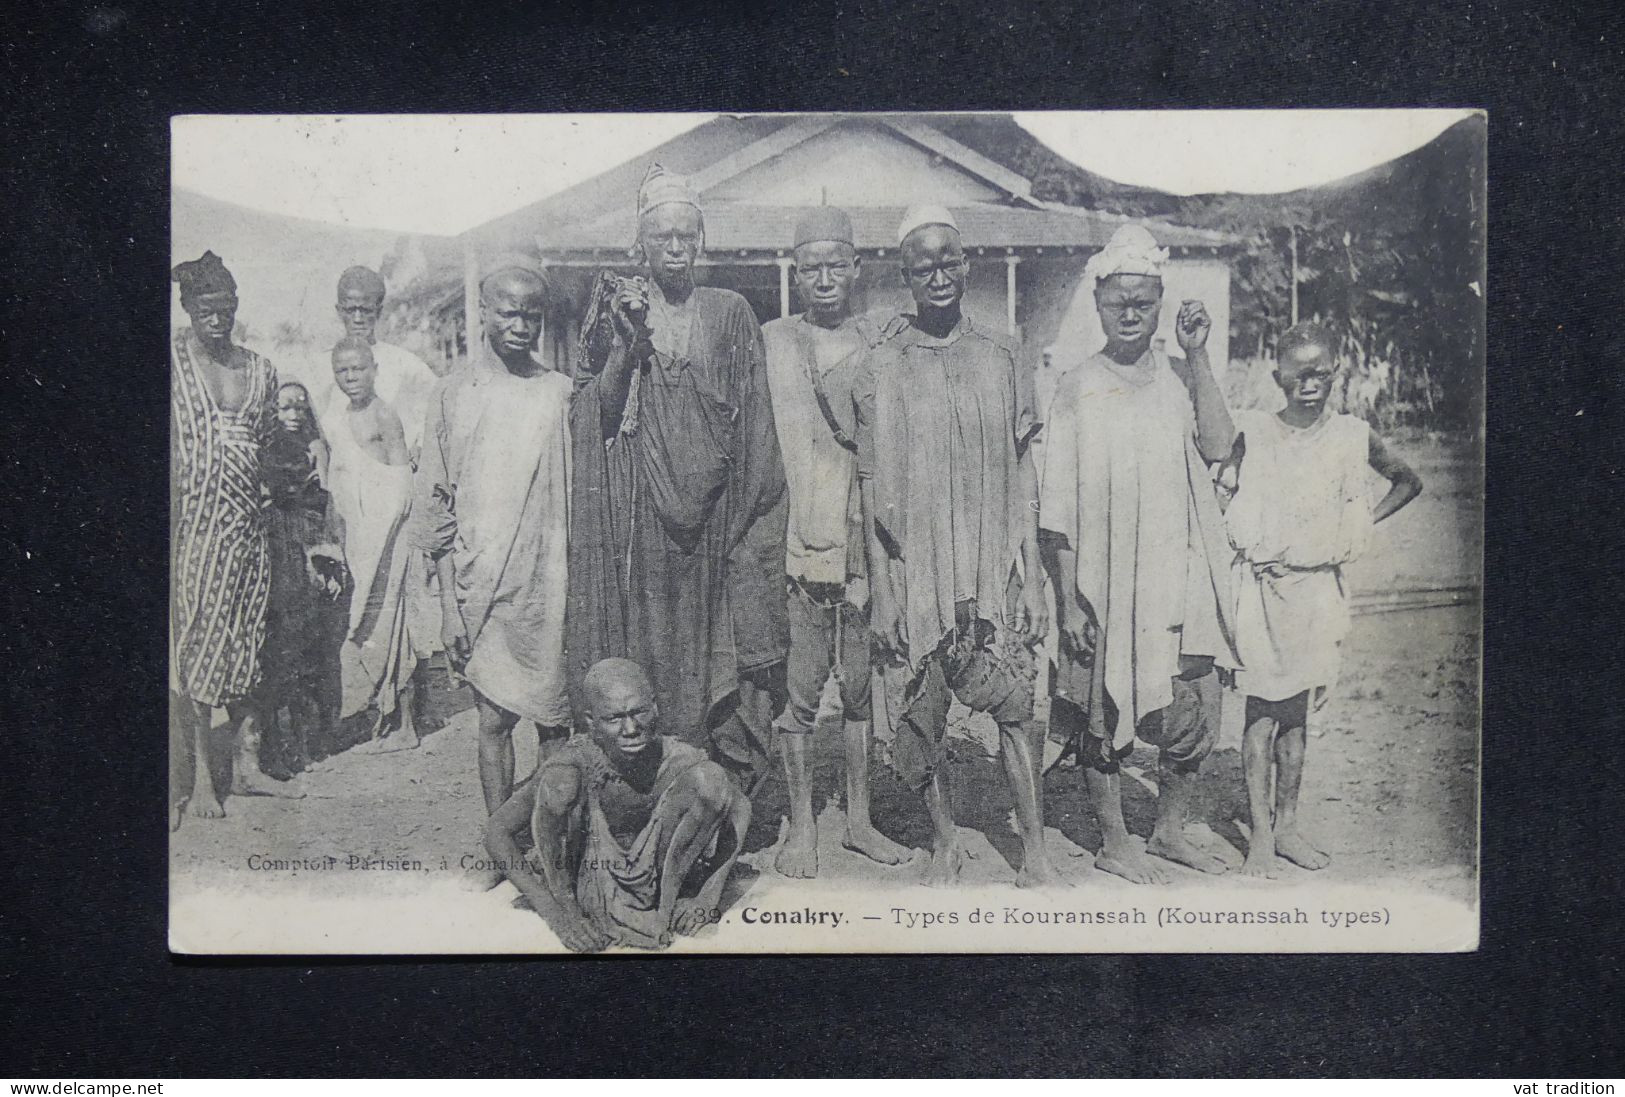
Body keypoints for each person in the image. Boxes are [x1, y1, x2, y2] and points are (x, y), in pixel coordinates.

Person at [848, 205, 1055, 888]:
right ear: (904, 275)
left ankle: (1034, 848)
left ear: (967, 266)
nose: (937, 274)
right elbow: (870, 480)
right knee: (918, 707)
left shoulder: (1002, 352)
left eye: (947, 260)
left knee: (1016, 707)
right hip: (919, 566)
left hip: (991, 561)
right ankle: (943, 841)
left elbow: (1023, 463)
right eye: (921, 265)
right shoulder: (882, 361)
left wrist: (1028, 559)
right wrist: (881, 589)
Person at [568, 163, 788, 794]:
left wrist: (746, 527)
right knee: (649, 658)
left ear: (701, 239)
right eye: (661, 234)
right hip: (643, 529)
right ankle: (650, 796)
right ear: (640, 239)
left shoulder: (730, 313)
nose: (674, 247)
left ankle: (713, 801)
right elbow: (597, 418)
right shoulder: (619, 307)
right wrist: (628, 346)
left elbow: (756, 426)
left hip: (719, 526)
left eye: (685, 234)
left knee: (716, 661)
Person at [1038, 223, 1240, 883]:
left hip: (1177, 573)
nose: (1130, 311)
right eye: (1117, 300)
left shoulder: (1182, 378)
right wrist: (1067, 598)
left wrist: (1199, 354)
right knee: (1099, 707)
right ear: (1096, 303)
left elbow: (1217, 447)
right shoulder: (1073, 385)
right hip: (1103, 579)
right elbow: (1058, 504)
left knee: (1194, 706)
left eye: (1143, 300)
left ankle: (1168, 830)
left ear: (1160, 303)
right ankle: (1112, 839)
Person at [1226, 321, 1422, 877]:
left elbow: (1407, 481)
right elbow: (1218, 474)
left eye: (1321, 371)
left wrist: (1357, 526)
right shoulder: (1257, 431)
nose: (1310, 381)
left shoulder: (1351, 435)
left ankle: (1287, 826)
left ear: (1335, 373)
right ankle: (1260, 837)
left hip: (1318, 594)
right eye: (1299, 372)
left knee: (1297, 719)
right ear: (1278, 376)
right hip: (1264, 591)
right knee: (1262, 714)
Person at [760, 206, 912, 877]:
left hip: (862, 546)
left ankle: (857, 820)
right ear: (796, 271)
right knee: (797, 695)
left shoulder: (878, 344)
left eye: (836, 265)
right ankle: (800, 829)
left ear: (855, 269)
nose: (824, 278)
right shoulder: (770, 342)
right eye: (811, 266)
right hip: (794, 541)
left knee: (856, 690)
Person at [414, 263, 573, 886]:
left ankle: (553, 845)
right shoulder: (453, 393)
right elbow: (435, 501)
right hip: (480, 586)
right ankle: (500, 850)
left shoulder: (559, 390)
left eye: (531, 314)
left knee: (554, 726)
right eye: (508, 312)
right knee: (492, 722)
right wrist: (451, 607)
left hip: (549, 579)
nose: (519, 325)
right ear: (483, 313)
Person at [484, 658, 751, 952]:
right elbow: (496, 830)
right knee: (559, 785)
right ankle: (572, 909)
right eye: (614, 719)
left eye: (639, 712)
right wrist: (557, 915)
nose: (631, 728)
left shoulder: (676, 758)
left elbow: (740, 807)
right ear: (591, 722)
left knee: (710, 779)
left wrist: (707, 897)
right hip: (588, 885)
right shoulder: (577, 759)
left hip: (662, 883)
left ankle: (667, 902)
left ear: (655, 708)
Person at [170, 250, 305, 826]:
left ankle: (246, 766)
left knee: (248, 641)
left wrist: (278, 483)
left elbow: (276, 442)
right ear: (186, 308)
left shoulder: (260, 369)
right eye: (205, 307)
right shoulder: (170, 361)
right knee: (197, 644)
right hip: (190, 526)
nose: (216, 318)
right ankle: (202, 777)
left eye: (225, 307)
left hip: (249, 528)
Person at [326, 337, 425, 752]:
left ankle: (406, 724)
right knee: (362, 623)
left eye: (358, 369)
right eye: (343, 371)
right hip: (357, 535)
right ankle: (376, 713)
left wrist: (387, 537)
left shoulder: (384, 414)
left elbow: (401, 479)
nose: (351, 378)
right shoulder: (336, 417)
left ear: (374, 370)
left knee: (392, 620)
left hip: (387, 535)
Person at [261, 381, 342, 773]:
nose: (293, 416)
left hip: (307, 544)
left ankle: (309, 738)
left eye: (299, 408)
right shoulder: (267, 447)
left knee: (309, 645)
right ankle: (275, 745)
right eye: (284, 409)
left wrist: (325, 554)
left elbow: (324, 499)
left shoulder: (316, 448)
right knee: (277, 647)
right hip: (274, 544)